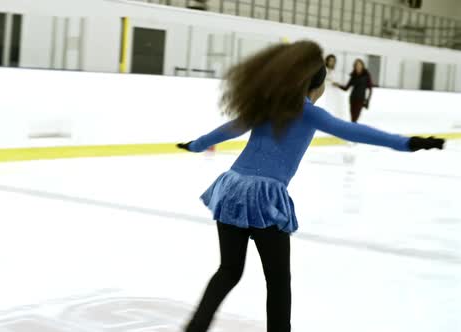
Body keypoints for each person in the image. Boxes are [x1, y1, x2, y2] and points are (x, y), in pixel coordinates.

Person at [176, 40, 444, 332]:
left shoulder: (268, 107)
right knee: (278, 282)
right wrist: (408, 143)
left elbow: (229, 129)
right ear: (316, 85)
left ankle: (194, 328)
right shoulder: (309, 112)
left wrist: (195, 145)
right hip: (264, 197)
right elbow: (355, 131)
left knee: (228, 271)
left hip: (232, 188)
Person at [334, 59, 373, 123]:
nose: (358, 66)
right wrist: (338, 85)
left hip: (360, 99)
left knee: (355, 118)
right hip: (352, 98)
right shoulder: (353, 75)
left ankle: (352, 130)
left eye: (359, 65)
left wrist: (367, 100)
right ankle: (352, 130)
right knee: (352, 117)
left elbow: (370, 89)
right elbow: (346, 88)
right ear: (354, 66)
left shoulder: (366, 75)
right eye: (356, 65)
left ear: (362, 65)